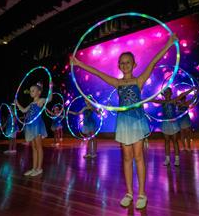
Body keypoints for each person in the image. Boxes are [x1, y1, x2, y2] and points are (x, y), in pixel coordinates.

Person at [71, 33, 178, 210]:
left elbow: (153, 62)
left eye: (128, 61)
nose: (125, 64)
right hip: (124, 123)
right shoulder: (117, 83)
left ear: (134, 64)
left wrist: (169, 42)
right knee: (127, 158)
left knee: (138, 157)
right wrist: (79, 63)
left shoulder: (139, 80)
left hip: (136, 121)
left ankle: (141, 193)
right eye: (122, 62)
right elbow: (97, 73)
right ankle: (129, 193)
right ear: (119, 66)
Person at [151, 87, 196, 166]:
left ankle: (177, 159)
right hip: (165, 123)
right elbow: (152, 99)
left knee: (175, 141)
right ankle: (167, 159)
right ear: (164, 94)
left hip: (173, 123)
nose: (167, 94)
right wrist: (143, 100)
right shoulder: (162, 101)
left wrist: (191, 90)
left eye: (168, 92)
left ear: (171, 93)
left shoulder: (174, 101)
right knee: (166, 141)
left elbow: (183, 94)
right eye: (165, 92)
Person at [16, 82, 52, 177]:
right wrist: (17, 103)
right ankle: (34, 168)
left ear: (39, 92)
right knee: (33, 148)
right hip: (30, 126)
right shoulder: (31, 103)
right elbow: (24, 110)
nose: (31, 92)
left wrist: (51, 88)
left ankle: (39, 168)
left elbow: (50, 99)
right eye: (31, 90)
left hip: (37, 126)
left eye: (33, 90)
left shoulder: (40, 100)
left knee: (38, 147)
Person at [177, 87, 199, 151]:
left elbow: (194, 99)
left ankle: (188, 147)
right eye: (182, 99)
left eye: (184, 98)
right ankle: (184, 147)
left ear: (185, 99)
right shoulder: (178, 103)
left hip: (186, 120)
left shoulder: (187, 103)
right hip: (180, 120)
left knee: (187, 134)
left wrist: (196, 92)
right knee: (182, 134)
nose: (183, 100)